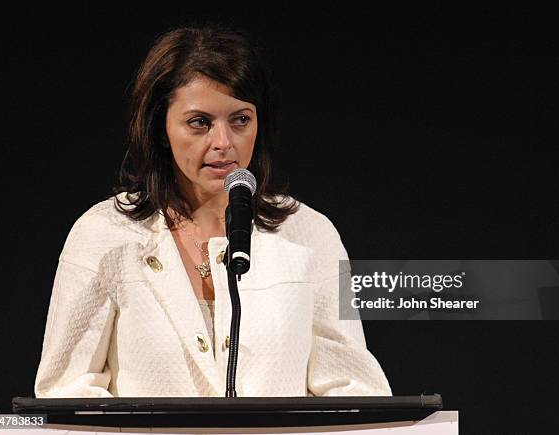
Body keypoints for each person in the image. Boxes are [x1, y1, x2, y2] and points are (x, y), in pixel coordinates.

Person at [34, 25, 392, 398]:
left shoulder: (309, 234)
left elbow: (354, 390)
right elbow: (65, 393)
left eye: (240, 120)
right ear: (160, 129)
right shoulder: (103, 234)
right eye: (199, 122)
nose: (223, 143)